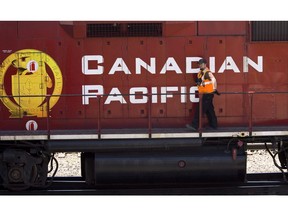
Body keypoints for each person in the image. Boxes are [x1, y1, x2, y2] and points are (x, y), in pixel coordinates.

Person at [186, 58, 218, 131]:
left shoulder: (207, 72)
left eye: (202, 64)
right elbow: (201, 83)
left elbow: (214, 81)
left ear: (205, 64)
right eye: (200, 64)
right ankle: (214, 125)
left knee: (200, 109)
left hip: (208, 93)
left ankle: (195, 125)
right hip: (205, 94)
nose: (201, 65)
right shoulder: (200, 73)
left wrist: (214, 89)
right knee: (209, 110)